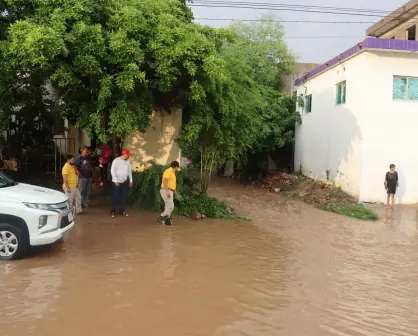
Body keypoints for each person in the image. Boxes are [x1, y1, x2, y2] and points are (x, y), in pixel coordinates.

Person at [110, 149, 133, 218]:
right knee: (115, 196)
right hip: (116, 182)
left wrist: (131, 180)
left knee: (123, 196)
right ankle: (113, 211)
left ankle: (121, 210)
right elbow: (112, 171)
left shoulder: (128, 161)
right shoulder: (116, 160)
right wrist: (115, 180)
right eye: (127, 155)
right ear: (124, 154)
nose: (128, 157)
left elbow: (129, 171)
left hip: (124, 181)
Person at [158, 161, 180, 226]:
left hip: (170, 191)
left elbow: (171, 183)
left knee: (168, 206)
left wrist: (175, 191)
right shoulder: (168, 171)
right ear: (175, 166)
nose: (177, 169)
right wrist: (167, 191)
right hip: (166, 190)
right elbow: (165, 181)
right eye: (177, 167)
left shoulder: (172, 172)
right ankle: (161, 218)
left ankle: (167, 220)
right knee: (171, 206)